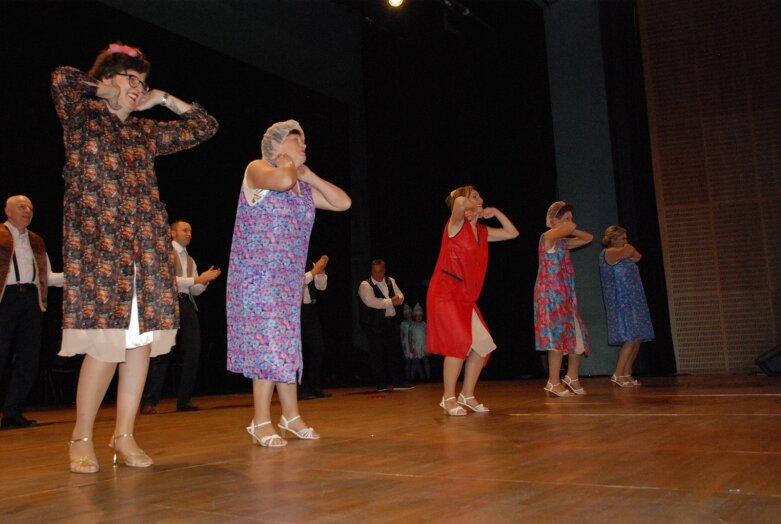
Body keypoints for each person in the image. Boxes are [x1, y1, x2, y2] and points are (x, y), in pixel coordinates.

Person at [51, 42, 218, 473]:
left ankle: (124, 435)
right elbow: (62, 79)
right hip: (101, 253)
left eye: (142, 82)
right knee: (106, 347)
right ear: (108, 79)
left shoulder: (144, 134)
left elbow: (204, 126)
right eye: (131, 79)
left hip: (147, 252)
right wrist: (102, 90)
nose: (137, 87)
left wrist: (161, 98)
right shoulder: (82, 120)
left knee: (142, 345)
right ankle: (81, 437)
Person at [227, 120, 350, 447]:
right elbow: (282, 178)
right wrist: (287, 164)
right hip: (256, 275)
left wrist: (309, 175)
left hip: (286, 280)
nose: (304, 146)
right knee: (267, 345)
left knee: (285, 346)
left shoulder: (302, 186)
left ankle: (290, 416)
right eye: (298, 141)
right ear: (278, 145)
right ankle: (260, 420)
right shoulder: (258, 170)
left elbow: (343, 203)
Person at [427, 186, 519, 415]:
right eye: (475, 196)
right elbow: (457, 204)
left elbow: (512, 233)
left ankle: (466, 395)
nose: (481, 199)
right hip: (445, 293)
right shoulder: (456, 224)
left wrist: (495, 212)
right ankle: (448, 398)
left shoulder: (483, 232)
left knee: (484, 345)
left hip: (465, 297)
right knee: (459, 343)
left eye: (480, 196)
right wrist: (469, 204)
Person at [141, 220, 222, 414]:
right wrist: (198, 279)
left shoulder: (190, 259)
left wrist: (205, 281)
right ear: (172, 233)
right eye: (185, 230)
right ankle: (150, 401)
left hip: (185, 303)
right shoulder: (164, 253)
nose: (189, 233)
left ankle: (184, 400)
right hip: (167, 304)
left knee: (193, 350)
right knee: (162, 352)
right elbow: (167, 281)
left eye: (191, 230)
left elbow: (194, 290)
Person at [0, 196, 64, 429]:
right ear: (7, 211)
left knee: (28, 358)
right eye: (21, 207)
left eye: (30, 208)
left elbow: (46, 277)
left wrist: (77, 278)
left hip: (32, 301)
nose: (27, 211)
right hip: (4, 300)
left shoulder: (37, 241)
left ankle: (12, 413)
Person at [534, 201, 593, 397]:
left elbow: (588, 238)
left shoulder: (562, 242)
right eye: (566, 218)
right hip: (551, 295)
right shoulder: (547, 237)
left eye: (571, 218)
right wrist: (565, 226)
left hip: (566, 296)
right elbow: (564, 230)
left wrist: (569, 226)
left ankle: (572, 377)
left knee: (578, 337)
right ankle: (553, 381)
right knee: (556, 339)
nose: (571, 222)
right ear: (553, 220)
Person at [598, 225, 655, 387]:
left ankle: (626, 372)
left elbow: (637, 256)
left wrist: (627, 249)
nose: (626, 241)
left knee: (637, 337)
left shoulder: (622, 252)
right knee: (630, 337)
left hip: (634, 298)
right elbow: (629, 251)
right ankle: (617, 374)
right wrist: (627, 249)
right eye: (622, 238)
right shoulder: (608, 253)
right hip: (620, 300)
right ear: (613, 239)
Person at [358, 259, 417, 393]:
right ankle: (381, 383)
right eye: (375, 272)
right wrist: (391, 301)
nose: (377, 275)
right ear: (371, 271)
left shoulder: (390, 280)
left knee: (395, 352)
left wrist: (398, 299)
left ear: (384, 271)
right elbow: (371, 302)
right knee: (377, 353)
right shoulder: (365, 285)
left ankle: (398, 382)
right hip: (374, 323)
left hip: (390, 321)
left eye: (380, 271)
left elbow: (400, 295)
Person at [299, 254, 331, 400]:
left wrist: (321, 269)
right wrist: (314, 270)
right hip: (294, 312)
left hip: (310, 310)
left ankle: (313, 387)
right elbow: (297, 283)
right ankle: (299, 390)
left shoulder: (310, 263)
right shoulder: (288, 263)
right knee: (298, 353)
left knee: (317, 348)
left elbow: (321, 286)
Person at [408, 303, 430, 382]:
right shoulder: (412, 325)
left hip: (424, 347)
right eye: (417, 316)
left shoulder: (424, 325)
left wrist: (428, 347)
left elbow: (428, 336)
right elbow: (409, 337)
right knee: (415, 363)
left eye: (420, 316)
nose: (418, 317)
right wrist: (410, 347)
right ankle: (412, 378)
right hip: (416, 347)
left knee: (426, 362)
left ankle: (428, 378)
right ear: (414, 316)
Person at [400, 303, 413, 381]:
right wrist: (402, 343)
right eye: (406, 314)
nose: (408, 315)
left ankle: (414, 376)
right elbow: (401, 334)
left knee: (415, 361)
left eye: (409, 313)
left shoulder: (414, 323)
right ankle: (408, 377)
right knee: (408, 361)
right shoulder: (403, 323)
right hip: (406, 344)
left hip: (414, 343)